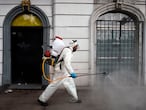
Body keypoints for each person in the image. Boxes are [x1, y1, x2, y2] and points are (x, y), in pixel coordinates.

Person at [37, 40, 81, 106]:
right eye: (76, 47)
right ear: (73, 46)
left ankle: (75, 98)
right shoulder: (68, 51)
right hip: (61, 71)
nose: (77, 48)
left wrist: (70, 72)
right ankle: (42, 99)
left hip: (64, 71)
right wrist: (72, 73)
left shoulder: (67, 49)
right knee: (53, 85)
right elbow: (67, 63)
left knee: (70, 83)